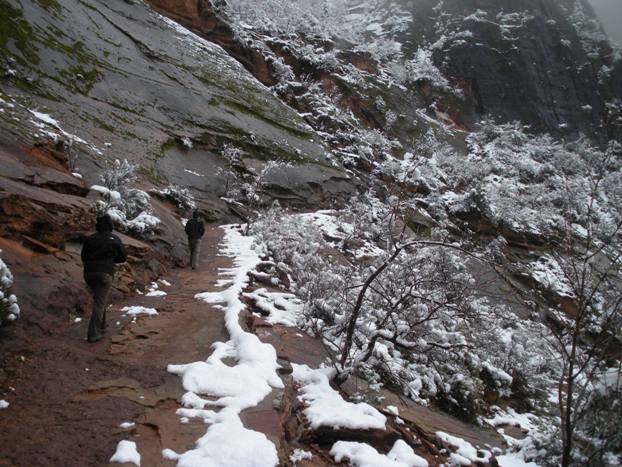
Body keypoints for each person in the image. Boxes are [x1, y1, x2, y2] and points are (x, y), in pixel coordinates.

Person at [81, 214, 127, 343]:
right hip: (105, 273)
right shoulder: (114, 238)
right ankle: (93, 334)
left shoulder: (90, 239)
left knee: (99, 300)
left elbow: (83, 256)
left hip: (89, 273)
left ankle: (101, 325)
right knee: (99, 303)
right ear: (110, 225)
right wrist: (112, 259)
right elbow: (123, 257)